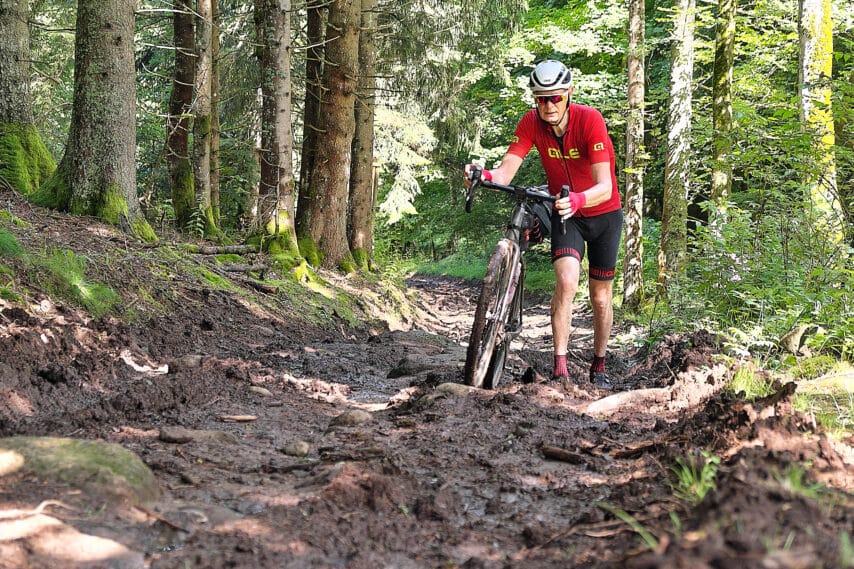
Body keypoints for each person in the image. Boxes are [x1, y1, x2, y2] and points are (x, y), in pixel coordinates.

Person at [464, 59, 623, 390]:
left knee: (600, 297)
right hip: (566, 214)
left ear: (568, 94)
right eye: (541, 98)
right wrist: (484, 174)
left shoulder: (589, 121)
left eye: (555, 98)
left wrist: (579, 199)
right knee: (566, 282)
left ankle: (599, 362)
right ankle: (560, 368)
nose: (548, 105)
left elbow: (605, 185)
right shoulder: (531, 123)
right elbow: (507, 171)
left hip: (603, 213)